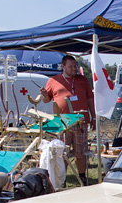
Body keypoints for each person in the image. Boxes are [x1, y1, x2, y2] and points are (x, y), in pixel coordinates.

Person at [40, 55, 95, 185]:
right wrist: (43, 95)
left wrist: (93, 116)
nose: (74, 68)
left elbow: (90, 99)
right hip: (63, 122)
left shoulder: (83, 80)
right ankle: (61, 178)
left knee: (80, 151)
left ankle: (82, 176)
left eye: (75, 66)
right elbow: (47, 99)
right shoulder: (53, 81)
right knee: (62, 152)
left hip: (80, 121)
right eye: (70, 66)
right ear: (63, 66)